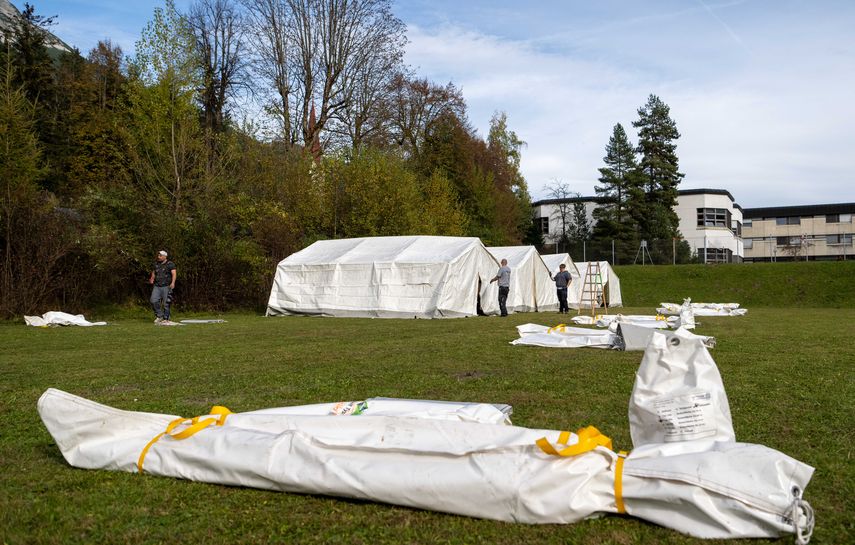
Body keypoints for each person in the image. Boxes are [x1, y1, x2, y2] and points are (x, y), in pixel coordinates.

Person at [149, 250, 176, 323]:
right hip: (157, 286)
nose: (159, 257)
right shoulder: (156, 264)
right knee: (153, 300)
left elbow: (174, 273)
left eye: (160, 256)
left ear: (165, 256)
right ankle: (159, 315)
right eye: (158, 256)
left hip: (166, 286)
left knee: (166, 303)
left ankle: (166, 318)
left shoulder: (170, 264)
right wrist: (152, 278)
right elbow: (154, 272)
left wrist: (173, 283)